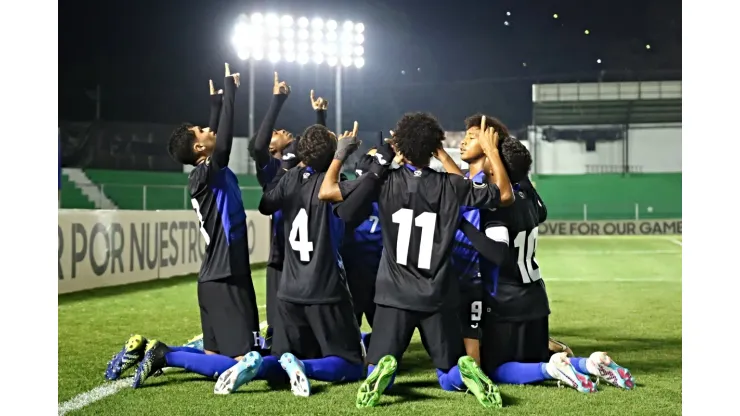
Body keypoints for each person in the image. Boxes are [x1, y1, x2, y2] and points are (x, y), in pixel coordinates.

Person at [320, 113, 514, 409]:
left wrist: (344, 154)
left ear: (401, 147)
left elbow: (330, 192)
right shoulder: (452, 185)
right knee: (447, 373)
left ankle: (383, 369)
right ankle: (463, 373)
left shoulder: (383, 183)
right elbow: (504, 194)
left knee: (377, 366)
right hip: (437, 295)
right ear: (436, 147)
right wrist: (492, 151)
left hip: (392, 294)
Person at [456, 114, 634, 393]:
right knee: (532, 358)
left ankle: (553, 368)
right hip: (535, 297)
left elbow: (499, 254)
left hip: (505, 300)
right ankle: (589, 363)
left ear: (496, 163)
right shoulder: (529, 196)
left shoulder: (496, 204)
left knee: (495, 368)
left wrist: (462, 224)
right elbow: (538, 207)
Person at [125, 63, 263, 388]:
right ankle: (167, 355)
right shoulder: (206, 172)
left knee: (219, 356)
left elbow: (212, 140)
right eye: (203, 131)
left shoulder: (203, 171)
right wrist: (231, 92)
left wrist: (215, 106)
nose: (209, 129)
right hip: (225, 275)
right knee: (244, 360)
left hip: (221, 275)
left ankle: (168, 354)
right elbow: (223, 144)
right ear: (200, 149)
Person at [243, 121, 377, 397]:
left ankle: (256, 364)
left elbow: (265, 204)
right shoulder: (335, 187)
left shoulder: (290, 178)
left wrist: (292, 171)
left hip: (289, 291)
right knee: (352, 364)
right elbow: (354, 207)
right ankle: (302, 366)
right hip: (325, 289)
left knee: (280, 358)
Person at [249, 73, 330, 343]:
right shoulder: (271, 170)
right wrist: (277, 100)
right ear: (272, 148)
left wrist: (319, 117)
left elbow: (319, 147)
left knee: (312, 315)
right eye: (274, 133)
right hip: (282, 254)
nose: (280, 131)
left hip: (312, 252)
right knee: (279, 321)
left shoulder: (300, 166)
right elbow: (258, 145)